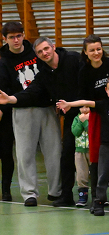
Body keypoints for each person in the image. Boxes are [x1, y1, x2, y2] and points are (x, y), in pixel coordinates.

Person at [0, 36, 83, 207]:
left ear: (53, 47)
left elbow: (87, 79)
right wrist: (11, 99)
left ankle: (103, 194)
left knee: (73, 153)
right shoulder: (44, 73)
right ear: (36, 55)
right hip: (66, 115)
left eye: (46, 49)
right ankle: (57, 194)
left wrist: (87, 104)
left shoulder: (73, 59)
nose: (44, 53)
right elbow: (32, 91)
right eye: (40, 52)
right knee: (61, 154)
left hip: (84, 110)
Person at [57, 75, 109, 215]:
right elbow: (85, 102)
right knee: (102, 176)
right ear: (106, 90)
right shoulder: (103, 105)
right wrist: (69, 104)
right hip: (106, 147)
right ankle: (99, 203)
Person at [0, 23, 61, 206]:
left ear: (24, 35)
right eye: (11, 37)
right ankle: (29, 194)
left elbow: (51, 73)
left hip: (47, 107)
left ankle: (56, 191)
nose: (16, 40)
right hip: (22, 109)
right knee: (24, 153)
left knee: (54, 151)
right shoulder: (3, 60)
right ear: (4, 39)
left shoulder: (35, 52)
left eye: (19, 36)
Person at [78, 34, 109, 209]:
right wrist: (84, 108)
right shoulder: (84, 71)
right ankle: (97, 196)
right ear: (85, 52)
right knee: (97, 155)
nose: (96, 53)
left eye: (98, 49)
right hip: (98, 115)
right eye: (92, 50)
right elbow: (82, 96)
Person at [71, 106, 91, 207]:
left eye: (87, 107)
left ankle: (99, 196)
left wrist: (85, 121)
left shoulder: (94, 118)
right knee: (81, 174)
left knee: (96, 173)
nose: (85, 109)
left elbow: (91, 130)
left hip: (92, 150)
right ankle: (82, 196)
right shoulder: (76, 118)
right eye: (82, 107)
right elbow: (75, 132)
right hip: (79, 150)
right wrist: (81, 121)